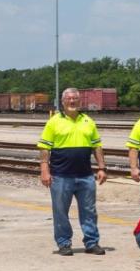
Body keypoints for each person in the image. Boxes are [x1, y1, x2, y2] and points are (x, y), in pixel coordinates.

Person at [38, 87, 106, 256]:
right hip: (61, 176)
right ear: (63, 102)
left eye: (75, 98)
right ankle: (64, 243)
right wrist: (44, 171)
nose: (72, 101)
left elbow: (96, 146)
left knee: (89, 211)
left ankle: (91, 242)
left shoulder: (88, 121)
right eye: (69, 99)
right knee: (60, 212)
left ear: (79, 101)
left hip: (85, 176)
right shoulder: (54, 121)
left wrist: (102, 168)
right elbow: (44, 148)